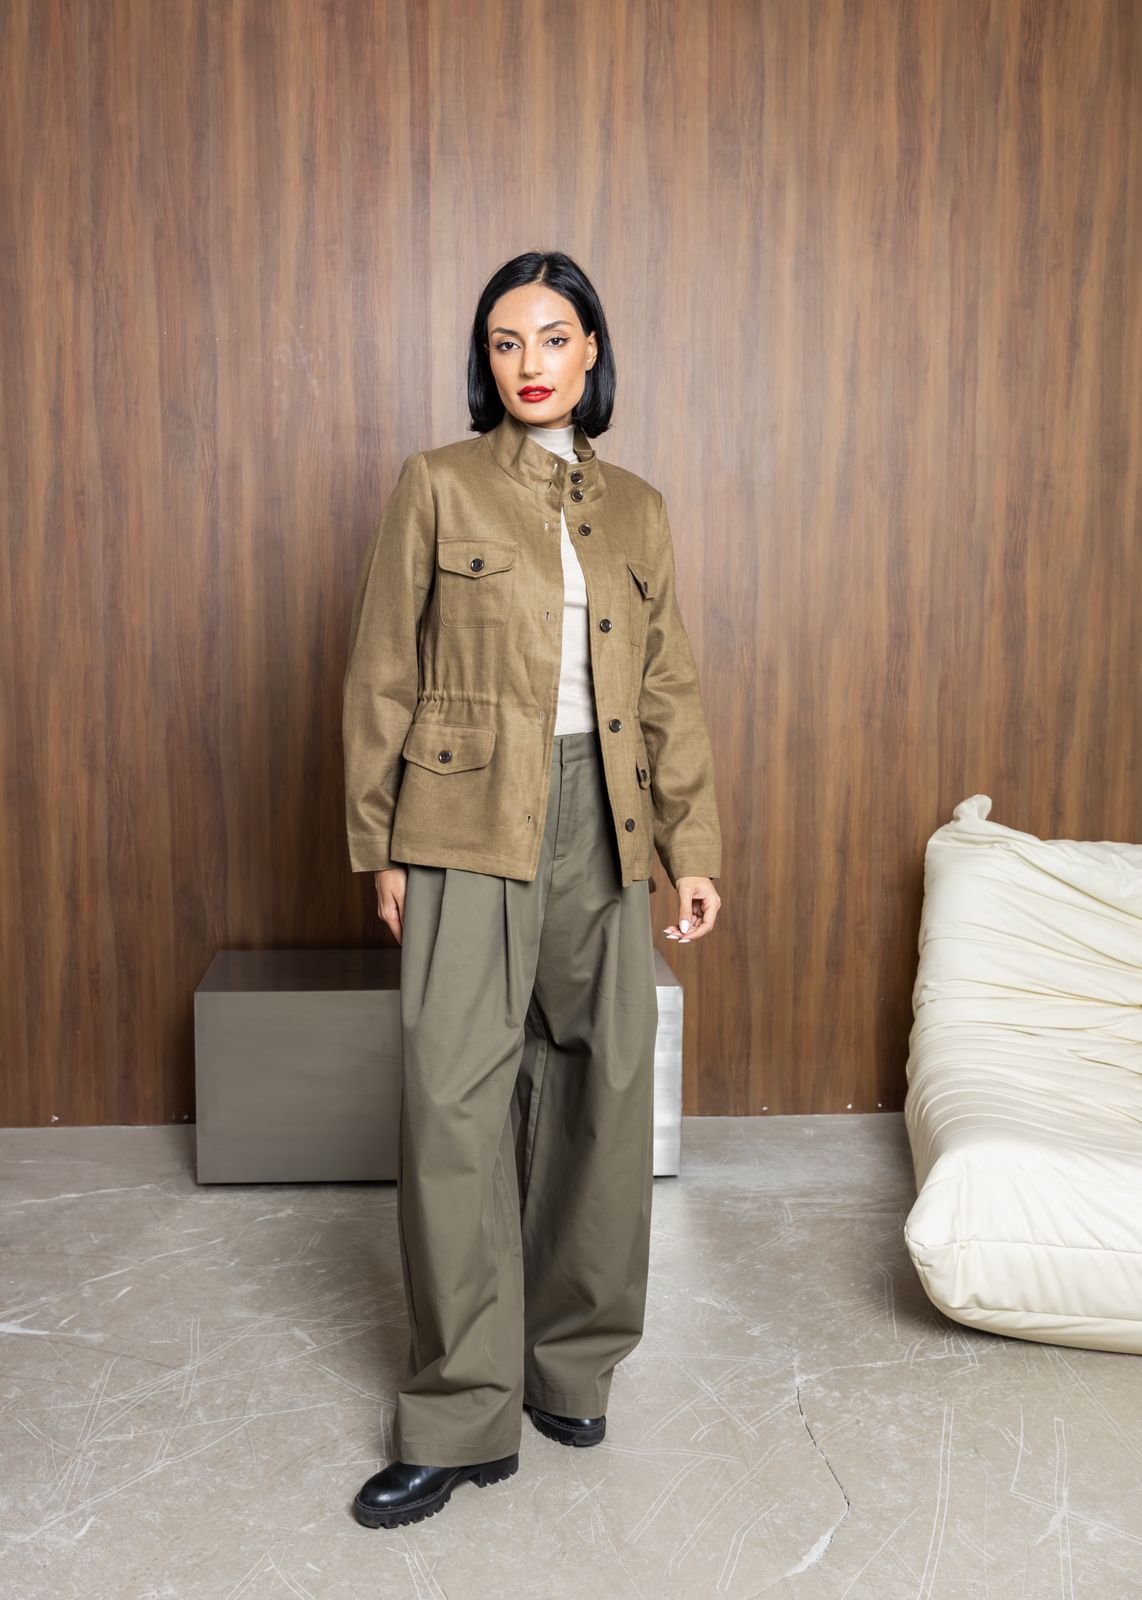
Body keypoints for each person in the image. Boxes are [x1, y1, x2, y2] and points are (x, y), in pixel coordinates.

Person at [342, 249, 723, 1529]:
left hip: (603, 819)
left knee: (600, 1093)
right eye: (505, 342)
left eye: (553, 337)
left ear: (591, 351)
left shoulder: (641, 509)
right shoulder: (437, 485)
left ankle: (570, 1367)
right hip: (462, 819)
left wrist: (690, 846)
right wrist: (379, 843)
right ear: (485, 361)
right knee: (453, 1106)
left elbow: (666, 685)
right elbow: (381, 672)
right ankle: (461, 1413)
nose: (530, 363)